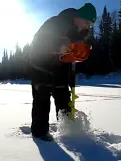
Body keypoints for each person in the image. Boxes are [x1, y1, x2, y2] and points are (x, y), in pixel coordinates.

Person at [28, 3, 97, 141]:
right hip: (40, 64)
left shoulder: (79, 34)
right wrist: (58, 45)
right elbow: (39, 42)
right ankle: (40, 133)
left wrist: (78, 54)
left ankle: (68, 130)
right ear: (79, 16)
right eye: (86, 22)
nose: (86, 26)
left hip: (60, 68)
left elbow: (70, 55)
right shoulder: (56, 22)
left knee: (64, 97)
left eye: (89, 24)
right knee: (42, 98)